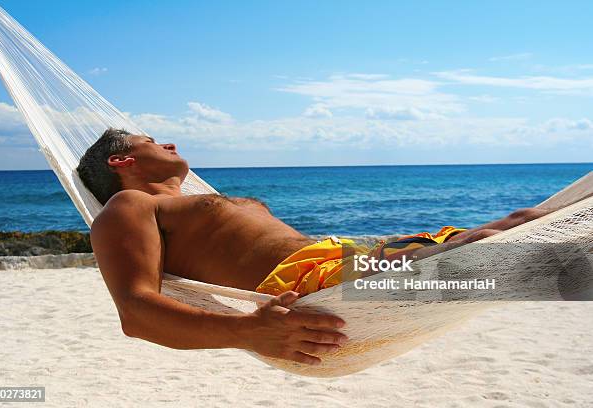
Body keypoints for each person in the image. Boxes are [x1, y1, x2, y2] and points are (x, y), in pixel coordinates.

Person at [77, 128, 552, 365]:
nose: (170, 144)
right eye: (153, 141)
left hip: (348, 258)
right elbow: (136, 313)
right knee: (488, 253)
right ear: (124, 160)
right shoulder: (129, 204)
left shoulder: (194, 201)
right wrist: (246, 332)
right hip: (312, 284)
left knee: (523, 222)